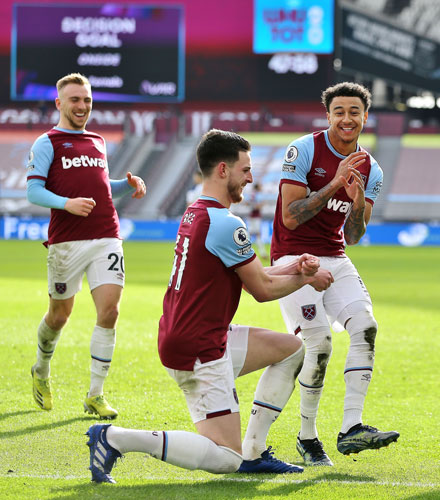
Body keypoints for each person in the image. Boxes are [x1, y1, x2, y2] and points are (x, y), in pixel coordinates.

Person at [85, 129, 335, 483]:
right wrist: (307, 278)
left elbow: (253, 273)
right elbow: (261, 289)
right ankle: (114, 439)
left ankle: (256, 451)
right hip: (199, 346)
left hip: (197, 334)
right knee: (225, 457)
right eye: (245, 169)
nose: (251, 177)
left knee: (292, 349)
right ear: (222, 170)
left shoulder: (197, 212)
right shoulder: (224, 223)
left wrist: (296, 267)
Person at [271, 82, 398, 466]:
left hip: (336, 257)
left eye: (354, 112)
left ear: (364, 116)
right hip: (293, 258)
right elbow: (290, 217)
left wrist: (358, 202)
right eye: (339, 111)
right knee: (320, 344)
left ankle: (350, 428)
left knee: (366, 326)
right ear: (328, 116)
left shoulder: (371, 168)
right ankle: (307, 438)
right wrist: (333, 184)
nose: (347, 118)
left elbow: (354, 235)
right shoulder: (303, 150)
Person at [26, 73, 146, 419]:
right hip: (66, 242)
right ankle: (41, 369)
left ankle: (95, 394)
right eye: (75, 100)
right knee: (59, 316)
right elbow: (33, 191)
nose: (82, 106)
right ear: (59, 104)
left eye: (87, 100)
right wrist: (67, 203)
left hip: (106, 234)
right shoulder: (47, 142)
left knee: (110, 312)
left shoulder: (97, 141)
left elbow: (102, 187)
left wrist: (126, 185)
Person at [247, 183, 268, 258]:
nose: (261, 187)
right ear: (257, 187)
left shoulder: (253, 194)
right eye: (260, 186)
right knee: (257, 234)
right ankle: (262, 253)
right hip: (255, 217)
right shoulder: (256, 195)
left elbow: (248, 204)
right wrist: (261, 205)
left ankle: (245, 251)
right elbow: (255, 206)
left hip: (253, 216)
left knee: (251, 234)